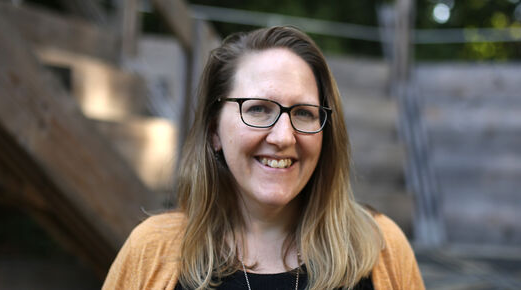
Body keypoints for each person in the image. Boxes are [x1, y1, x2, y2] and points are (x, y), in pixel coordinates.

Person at [103, 26, 424, 290]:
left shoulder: (381, 248)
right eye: (257, 109)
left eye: (303, 113)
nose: (283, 136)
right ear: (214, 131)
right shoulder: (151, 251)